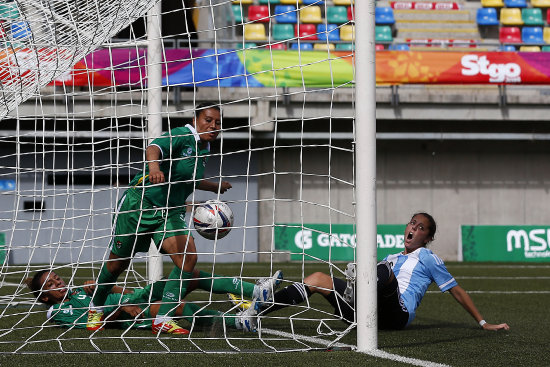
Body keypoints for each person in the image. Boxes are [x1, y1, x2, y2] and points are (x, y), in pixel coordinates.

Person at [87, 102, 269, 334]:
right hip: (139, 205)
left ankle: (163, 317)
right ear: (195, 120)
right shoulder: (182, 135)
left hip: (169, 211)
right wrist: (154, 168)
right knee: (117, 264)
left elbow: (185, 178)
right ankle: (95, 308)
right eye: (208, 120)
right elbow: (154, 147)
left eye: (218, 123)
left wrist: (213, 186)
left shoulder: (204, 147)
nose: (214, 126)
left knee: (187, 258)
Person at [246, 213, 510, 331]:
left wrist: (483, 323)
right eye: (412, 223)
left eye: (421, 228)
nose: (413, 228)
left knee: (384, 270)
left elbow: (456, 290)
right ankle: (255, 311)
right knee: (318, 279)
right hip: (367, 311)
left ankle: (356, 289)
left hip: (397, 314)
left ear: (428, 237)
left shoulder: (427, 257)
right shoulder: (392, 256)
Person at [27, 268, 281, 333]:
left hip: (132, 298)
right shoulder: (57, 311)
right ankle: (237, 322)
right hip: (131, 315)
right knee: (176, 307)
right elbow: (95, 324)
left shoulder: (76, 292)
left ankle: (257, 291)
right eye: (51, 285)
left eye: (57, 278)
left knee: (186, 274)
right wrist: (119, 306)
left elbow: (120, 289)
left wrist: (102, 288)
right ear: (44, 296)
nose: (59, 283)